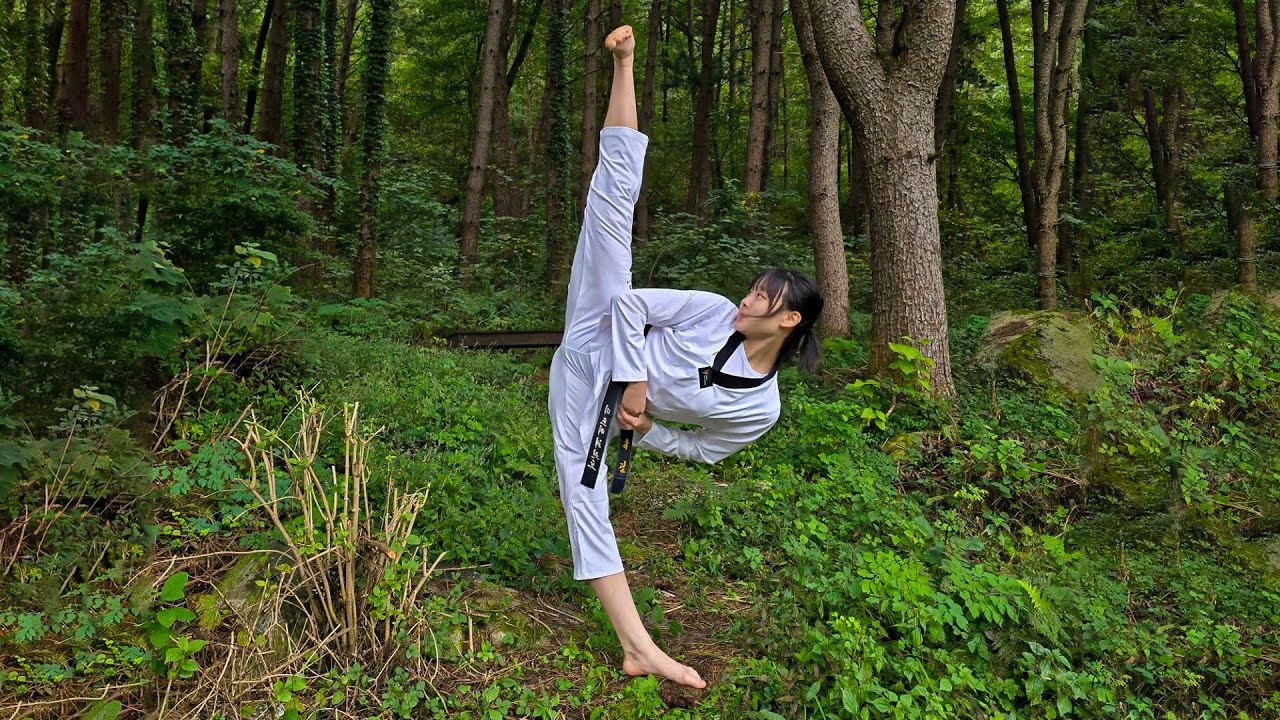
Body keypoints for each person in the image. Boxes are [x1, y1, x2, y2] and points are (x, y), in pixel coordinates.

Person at [548, 24, 825, 689]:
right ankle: (625, 63)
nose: (746, 299)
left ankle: (639, 646)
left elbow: (705, 452)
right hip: (598, 330)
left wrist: (645, 429)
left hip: (589, 398)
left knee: (585, 503)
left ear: (788, 320)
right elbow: (627, 308)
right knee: (612, 205)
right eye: (752, 288)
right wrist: (637, 384)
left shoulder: (760, 409)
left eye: (762, 298)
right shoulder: (709, 309)